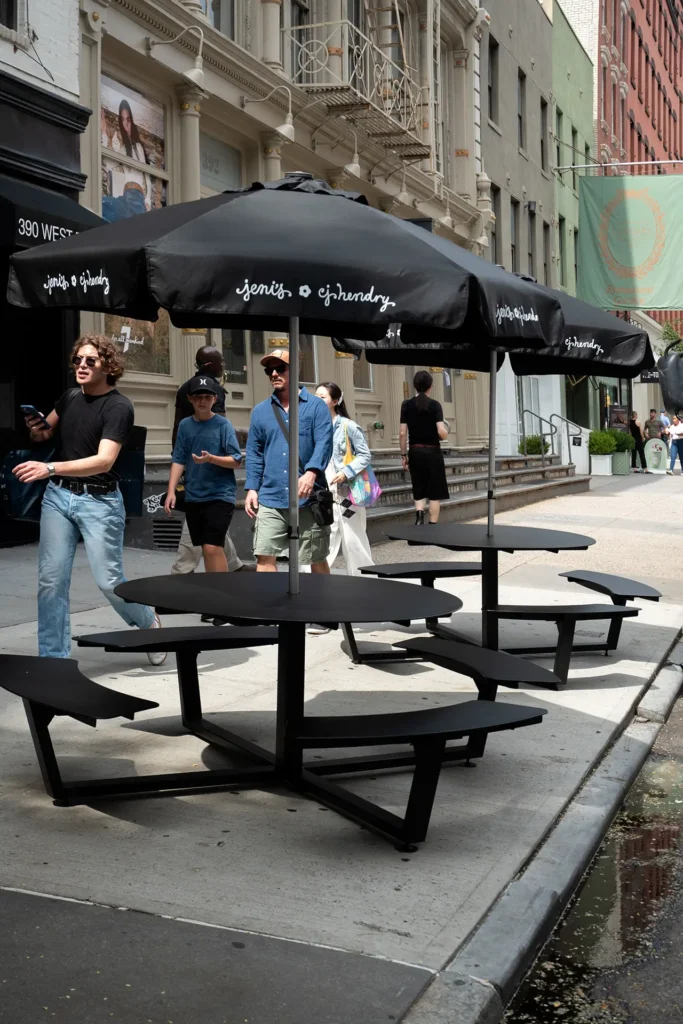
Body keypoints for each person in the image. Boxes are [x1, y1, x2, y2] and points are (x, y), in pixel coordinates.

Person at [12, 334, 165, 664]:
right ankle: (54, 661)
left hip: (100, 502)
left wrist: (49, 467)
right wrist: (36, 427)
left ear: (108, 366)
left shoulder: (119, 406)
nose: (81, 365)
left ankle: (148, 621)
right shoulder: (69, 397)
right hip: (58, 497)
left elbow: (104, 460)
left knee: (109, 581)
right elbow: (44, 433)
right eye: (77, 360)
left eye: (89, 361)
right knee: (51, 581)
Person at [245, 349, 333, 578]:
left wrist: (312, 472)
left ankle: (322, 611)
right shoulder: (260, 411)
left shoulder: (316, 407)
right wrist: (252, 487)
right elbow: (254, 452)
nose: (274, 373)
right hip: (271, 497)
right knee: (263, 557)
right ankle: (270, 610)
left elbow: (324, 443)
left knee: (317, 558)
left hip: (308, 498)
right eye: (269, 370)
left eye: (280, 368)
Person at [171, 345, 250, 574]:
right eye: (219, 362)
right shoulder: (216, 389)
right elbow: (220, 426)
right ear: (209, 365)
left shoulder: (184, 388)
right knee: (204, 534)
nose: (222, 366)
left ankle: (231, 565)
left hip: (195, 465)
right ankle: (182, 571)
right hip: (203, 470)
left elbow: (176, 427)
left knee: (213, 533)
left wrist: (179, 459)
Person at [315, 381, 374, 577]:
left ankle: (361, 577)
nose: (317, 400)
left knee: (352, 536)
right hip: (324, 491)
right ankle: (317, 579)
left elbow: (365, 455)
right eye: (316, 396)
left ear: (335, 401)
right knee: (326, 534)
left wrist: (346, 472)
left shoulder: (348, 426)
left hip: (347, 491)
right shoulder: (314, 426)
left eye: (322, 397)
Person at [399, 370, 450, 525]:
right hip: (433, 451)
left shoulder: (406, 405)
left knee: (419, 485)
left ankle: (419, 517)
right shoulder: (435, 405)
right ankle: (432, 525)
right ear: (431, 386)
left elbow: (402, 433)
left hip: (415, 450)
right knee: (435, 491)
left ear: (414, 386)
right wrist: (446, 433)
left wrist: (403, 455)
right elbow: (441, 431)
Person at [101, 100, 153, 222]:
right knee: (102, 205)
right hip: (126, 197)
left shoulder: (137, 147)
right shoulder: (123, 148)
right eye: (123, 120)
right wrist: (103, 133)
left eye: (128, 120)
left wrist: (148, 200)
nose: (125, 124)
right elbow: (109, 165)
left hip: (136, 197)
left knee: (104, 209)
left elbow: (147, 175)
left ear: (131, 121)